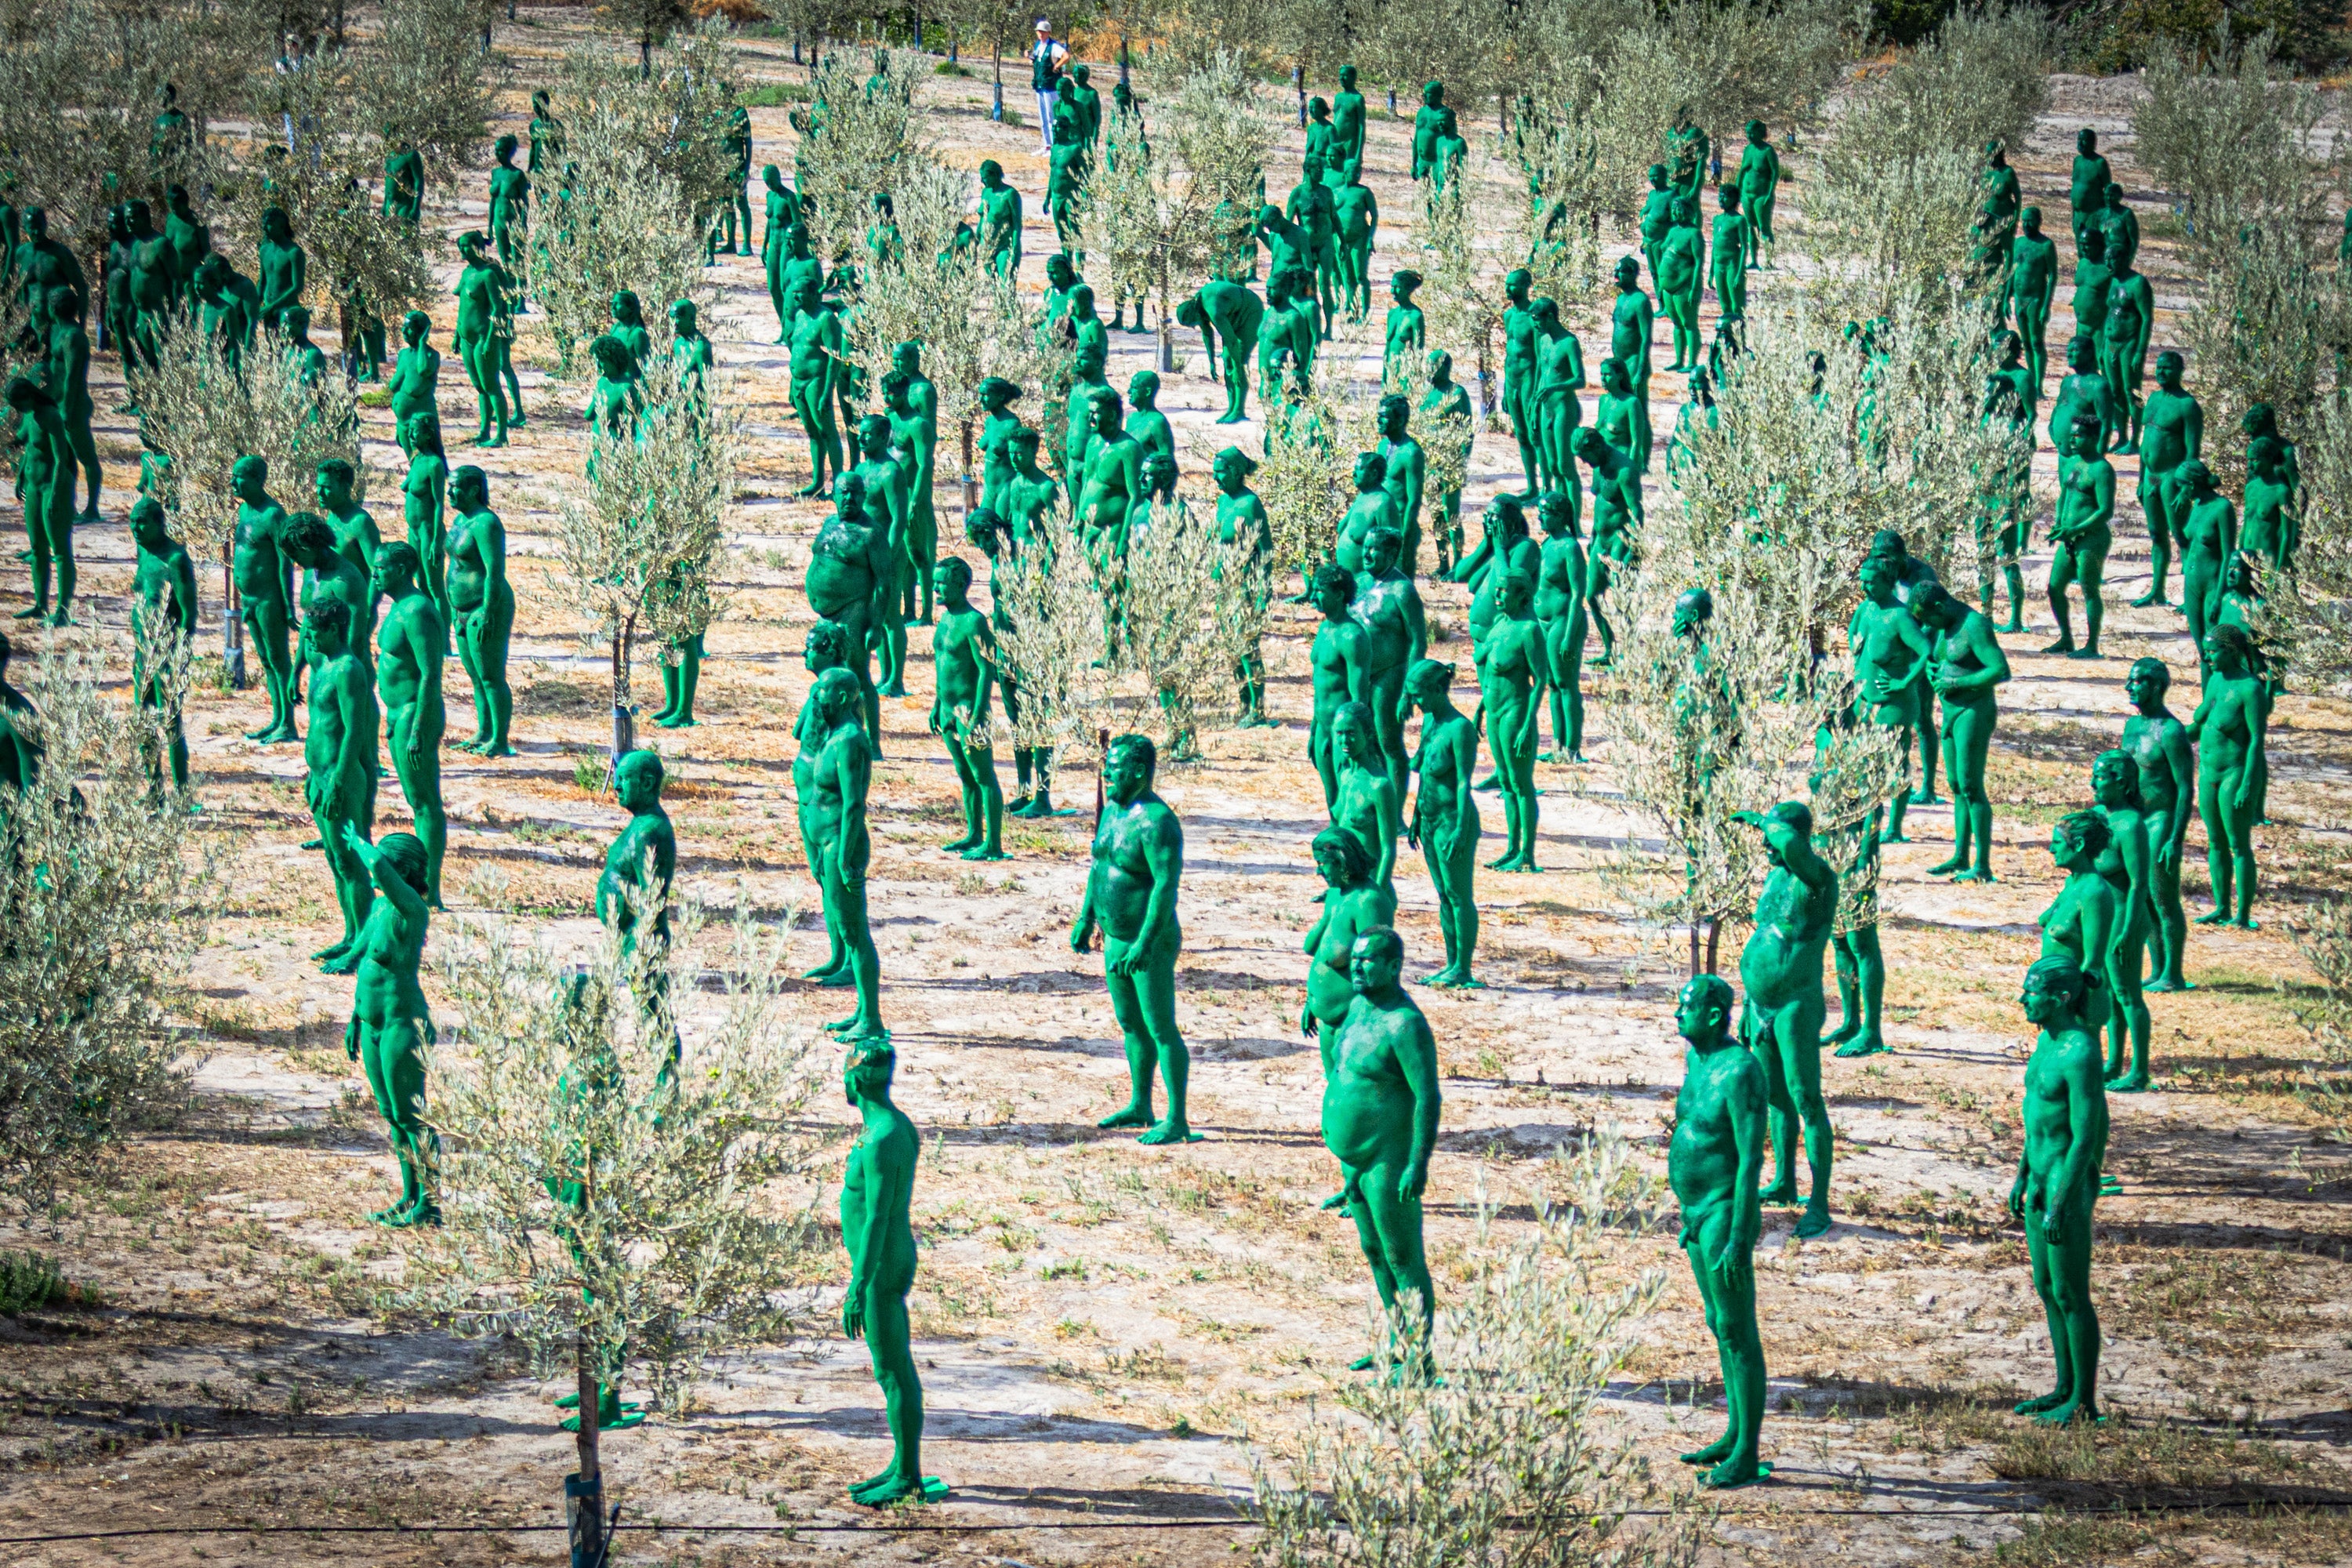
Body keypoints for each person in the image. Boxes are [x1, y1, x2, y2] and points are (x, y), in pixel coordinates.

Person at [1324, 927, 1441, 1381]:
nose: (1357, 966)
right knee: (1373, 1250)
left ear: (1394, 966)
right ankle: (1397, 1345)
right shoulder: (1357, 1007)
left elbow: (1428, 1096)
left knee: (1403, 1256)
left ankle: (1420, 1361)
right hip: (1353, 1157)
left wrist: (1418, 1162)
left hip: (1387, 1160)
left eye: (1368, 960)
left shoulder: (1405, 1025)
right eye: (1355, 958)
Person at [1670, 972, 1769, 1488]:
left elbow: (1752, 1159)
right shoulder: (1696, 1059)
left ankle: (1748, 1454)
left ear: (1713, 1014)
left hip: (1723, 1210)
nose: (1676, 1015)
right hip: (1695, 1212)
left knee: (1737, 1329)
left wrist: (1739, 1234)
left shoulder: (1741, 1071)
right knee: (1717, 1322)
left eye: (1685, 1007)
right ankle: (1734, 1433)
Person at [1071, 734, 1192, 1144]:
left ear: (1139, 771)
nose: (1107, 773)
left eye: (1115, 766)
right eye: (1107, 764)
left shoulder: (1157, 822)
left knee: (1161, 1027)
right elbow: (1098, 865)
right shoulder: (1113, 811)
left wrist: (1144, 941)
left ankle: (1178, 1119)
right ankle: (1141, 1103)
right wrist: (1086, 917)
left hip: (1149, 940)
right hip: (1115, 937)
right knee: (1130, 1024)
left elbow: (1165, 887)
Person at [840, 1043, 945, 1505]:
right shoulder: (887, 1127)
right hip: (884, 1259)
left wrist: (858, 1286)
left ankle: (908, 1477)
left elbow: (878, 1217)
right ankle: (903, 1464)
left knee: (892, 1370)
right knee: (893, 1367)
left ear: (856, 1080)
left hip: (882, 1264)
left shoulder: (884, 1136)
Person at [2009, 956, 2109, 1426]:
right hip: (2038, 1182)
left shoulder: (2081, 1052)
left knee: (2072, 1293)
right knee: (2047, 1289)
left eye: (2032, 991)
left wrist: (2063, 1200)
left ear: (2061, 997)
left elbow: (2085, 1138)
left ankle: (2084, 1403)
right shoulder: (2046, 1044)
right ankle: (2063, 1387)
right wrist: (2022, 1173)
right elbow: (2037, 1124)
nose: (2023, 998)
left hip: (2065, 1186)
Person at [1733, 801, 1837, 1240]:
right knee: (1776, 1098)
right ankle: (1785, 1181)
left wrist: (1761, 819)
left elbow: (1791, 843)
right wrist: (1746, 1003)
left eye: (1771, 836)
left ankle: (1819, 1202)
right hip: (1762, 1004)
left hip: (1797, 1003)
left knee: (1806, 1098)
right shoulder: (1776, 876)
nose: (1765, 844)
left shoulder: (1817, 879)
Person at [342, 826, 437, 1226]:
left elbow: (377, 865)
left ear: (404, 872)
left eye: (388, 867)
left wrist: (360, 843)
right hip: (373, 1022)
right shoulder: (380, 910)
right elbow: (364, 963)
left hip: (402, 1023)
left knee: (412, 1116)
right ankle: (408, 1195)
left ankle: (430, 1204)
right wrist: (354, 1017)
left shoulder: (411, 910)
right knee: (392, 1116)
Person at [808, 666, 887, 1042]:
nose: (816, 695)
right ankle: (861, 1010)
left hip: (843, 843)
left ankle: (872, 1019)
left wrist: (843, 857)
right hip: (829, 844)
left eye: (822, 691)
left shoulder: (851, 740)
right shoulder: (834, 734)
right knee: (848, 929)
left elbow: (855, 803)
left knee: (856, 934)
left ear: (841, 696)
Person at [304, 599, 379, 971]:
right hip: (321, 775)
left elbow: (354, 730)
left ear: (334, 629)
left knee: (351, 864)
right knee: (335, 861)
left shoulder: (349, 670)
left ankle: (362, 946)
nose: (309, 636)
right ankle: (351, 935)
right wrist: (313, 775)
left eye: (315, 630)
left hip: (342, 778)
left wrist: (336, 780)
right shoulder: (323, 664)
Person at [372, 543, 447, 917]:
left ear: (401, 569)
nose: (375, 575)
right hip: (399, 715)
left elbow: (431, 673)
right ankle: (421, 883)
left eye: (381, 568)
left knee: (425, 803)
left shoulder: (416, 611)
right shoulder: (398, 608)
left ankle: (430, 889)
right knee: (416, 802)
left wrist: (418, 729)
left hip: (415, 715)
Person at [2123, 659, 2196, 993]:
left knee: (2163, 898)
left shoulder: (2171, 731)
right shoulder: (2132, 727)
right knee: (2144, 900)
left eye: (2136, 682)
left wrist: (2175, 839)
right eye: (2129, 681)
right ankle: (2157, 968)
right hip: (2136, 820)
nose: (2129, 687)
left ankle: (2174, 973)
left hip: (2161, 821)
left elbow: (2184, 788)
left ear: (2155, 686)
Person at [1301, 827, 1398, 1080]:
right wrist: (1310, 1001)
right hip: (1327, 1021)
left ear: (1342, 860)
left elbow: (1379, 966)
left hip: (1352, 1023)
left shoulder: (1369, 902)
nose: (1318, 871)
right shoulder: (1335, 895)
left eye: (1322, 864)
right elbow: (1320, 953)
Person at [929, 557, 1005, 862]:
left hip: (969, 712)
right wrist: (936, 705)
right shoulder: (946, 620)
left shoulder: (974, 622)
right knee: (964, 774)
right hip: (947, 710)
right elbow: (942, 667)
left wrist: (977, 713)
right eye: (934, 583)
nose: (936, 589)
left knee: (983, 774)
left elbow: (987, 671)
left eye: (942, 583)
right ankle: (974, 832)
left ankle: (994, 844)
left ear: (960, 585)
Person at [1478, 572, 1553, 872]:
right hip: (1495, 712)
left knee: (1522, 784)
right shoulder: (1500, 624)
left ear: (1521, 595)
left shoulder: (1529, 631)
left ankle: (1528, 854)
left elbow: (1540, 679)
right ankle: (1511, 847)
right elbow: (1493, 676)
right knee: (1507, 783)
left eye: (1503, 591)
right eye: (1496, 589)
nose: (1497, 596)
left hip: (1515, 714)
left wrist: (1527, 724)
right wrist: (1480, 709)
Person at [2193, 625, 2267, 929]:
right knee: (2214, 842)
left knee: (2238, 844)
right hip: (2208, 771)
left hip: (2234, 773)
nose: (2207, 657)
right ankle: (2221, 907)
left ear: (2232, 651)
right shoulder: (2215, 681)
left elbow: (2256, 742)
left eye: (2213, 651)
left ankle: (2243, 914)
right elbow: (2199, 726)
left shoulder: (2250, 690)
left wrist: (2249, 784)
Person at [2090, 751, 2154, 1091]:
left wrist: (2129, 930)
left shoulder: (2131, 825)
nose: (2093, 783)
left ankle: (2140, 1071)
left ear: (2123, 782)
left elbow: (2140, 883)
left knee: (2128, 994)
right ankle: (2114, 1062)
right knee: (2110, 993)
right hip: (2103, 916)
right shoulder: (2099, 816)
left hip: (2124, 916)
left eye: (2101, 777)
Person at [129, 496, 198, 799]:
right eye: (132, 522)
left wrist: (179, 656)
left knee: (171, 722)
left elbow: (189, 612)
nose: (136, 528)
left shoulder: (176, 559)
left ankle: (182, 792)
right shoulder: (144, 551)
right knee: (144, 720)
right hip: (142, 651)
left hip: (167, 651)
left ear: (160, 523)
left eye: (142, 522)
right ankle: (155, 788)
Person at [446, 466, 514, 757]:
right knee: (475, 676)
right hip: (461, 609)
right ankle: (483, 730)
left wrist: (488, 610)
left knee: (491, 676)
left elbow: (494, 571)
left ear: (473, 490)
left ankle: (500, 739)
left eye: (455, 487)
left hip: (485, 606)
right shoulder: (461, 520)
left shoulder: (486, 523)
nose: (449, 492)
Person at [230, 456, 299, 741]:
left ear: (258, 480)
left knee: (279, 659)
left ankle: (288, 723)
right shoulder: (244, 511)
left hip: (270, 598)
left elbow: (285, 563)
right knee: (266, 660)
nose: (234, 483)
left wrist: (288, 604)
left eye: (240, 477)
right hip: (250, 599)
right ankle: (277, 718)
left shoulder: (273, 515)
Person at [2134, 351, 2201, 609]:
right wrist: (2141, 478)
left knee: (2182, 536)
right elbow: (2144, 443)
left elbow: (2193, 452)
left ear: (2180, 371)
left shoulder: (2187, 406)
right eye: (2159, 367)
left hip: (2173, 476)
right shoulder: (2152, 399)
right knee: (2156, 535)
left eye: (2168, 368)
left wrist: (2186, 489)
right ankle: (2157, 591)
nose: (2161, 372)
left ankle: (2190, 597)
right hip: (2151, 475)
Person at [2045, 415, 2114, 659]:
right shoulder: (2074, 463)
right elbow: (2064, 496)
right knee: (2054, 588)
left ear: (2094, 438)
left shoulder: (2102, 469)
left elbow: (2105, 510)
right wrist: (2058, 524)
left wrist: (2075, 530)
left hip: (2091, 539)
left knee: (2089, 590)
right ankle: (2066, 638)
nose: (2073, 439)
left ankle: (2092, 645)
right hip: (2068, 538)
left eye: (2079, 435)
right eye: (2072, 434)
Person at [7, 376, 73, 626]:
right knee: (37, 549)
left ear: (30, 395)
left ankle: (63, 612)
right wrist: (21, 473)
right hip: (33, 488)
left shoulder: (50, 416)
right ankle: (40, 604)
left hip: (52, 488)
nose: (17, 409)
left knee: (61, 551)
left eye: (18, 403)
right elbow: (30, 449)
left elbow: (61, 459)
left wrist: (55, 494)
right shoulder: (30, 415)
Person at [1533, 491, 1587, 762]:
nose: (1540, 516)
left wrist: (1568, 636)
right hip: (1544, 622)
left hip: (1564, 621)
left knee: (1567, 684)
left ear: (1561, 516)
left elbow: (1578, 593)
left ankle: (1573, 748)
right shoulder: (1545, 545)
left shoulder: (1570, 547)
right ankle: (1557, 745)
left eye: (1546, 512)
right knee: (1552, 684)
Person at [1330, 699, 1401, 899]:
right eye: (1340, 733)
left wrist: (1376, 895)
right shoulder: (1345, 777)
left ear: (1368, 734)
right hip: (1344, 886)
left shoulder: (1379, 786)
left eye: (1351, 733)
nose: (1345, 740)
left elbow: (1388, 849)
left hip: (1368, 887)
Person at [1179, 276, 1265, 424]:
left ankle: (1239, 410)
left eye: (1193, 323)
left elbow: (1232, 341)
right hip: (1234, 316)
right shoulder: (1198, 307)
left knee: (1238, 360)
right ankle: (1231, 408)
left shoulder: (1213, 309)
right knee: (1227, 360)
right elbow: (1207, 334)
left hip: (1251, 312)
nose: (1195, 326)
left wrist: (1238, 368)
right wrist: (1211, 362)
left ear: (1194, 314)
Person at [2008, 208, 2058, 390]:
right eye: (2024, 221)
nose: (2027, 225)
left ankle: (2039, 384)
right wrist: (2006, 298)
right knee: (2026, 342)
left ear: (2039, 221)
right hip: (2019, 299)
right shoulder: (2018, 243)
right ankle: (2032, 379)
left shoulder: (2046, 245)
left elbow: (2052, 276)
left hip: (2036, 299)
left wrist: (2047, 305)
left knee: (2037, 342)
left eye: (2031, 221)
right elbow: (2012, 272)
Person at [1736, 121, 1780, 266]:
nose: (1749, 135)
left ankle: (1768, 261)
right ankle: (1754, 260)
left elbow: (1775, 172)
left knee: (1764, 228)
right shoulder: (1748, 150)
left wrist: (1770, 193)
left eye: (1752, 132)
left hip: (1762, 195)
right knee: (1750, 227)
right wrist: (1737, 190)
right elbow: (1742, 170)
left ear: (1760, 133)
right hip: (1746, 194)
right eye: (1747, 132)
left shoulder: (1768, 151)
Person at [1029, 19, 1070, 156]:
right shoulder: (1038, 46)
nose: (1040, 34)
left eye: (1043, 32)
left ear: (1048, 32)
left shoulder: (1054, 46)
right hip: (1040, 85)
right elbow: (1035, 60)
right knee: (1043, 117)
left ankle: (1054, 145)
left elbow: (1066, 56)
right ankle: (1046, 145)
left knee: (1051, 116)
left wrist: (1057, 66)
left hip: (1051, 86)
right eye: (1039, 32)